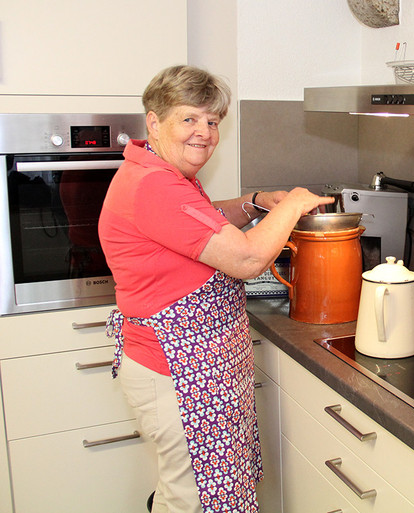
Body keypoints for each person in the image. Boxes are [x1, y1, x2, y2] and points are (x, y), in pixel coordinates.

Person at [99, 64, 333, 513]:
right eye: (190, 119)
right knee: (194, 502)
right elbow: (246, 259)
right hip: (178, 373)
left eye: (212, 122)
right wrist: (297, 204)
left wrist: (255, 203)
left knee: (200, 495)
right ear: (154, 120)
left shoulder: (162, 172)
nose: (204, 133)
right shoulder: (155, 186)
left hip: (198, 371)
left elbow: (203, 223)